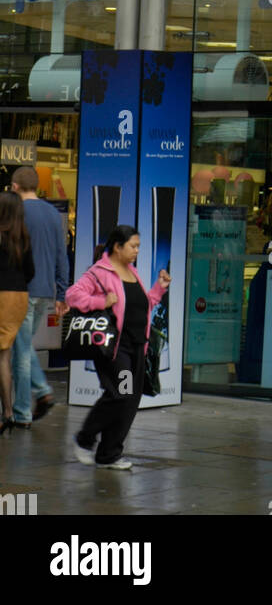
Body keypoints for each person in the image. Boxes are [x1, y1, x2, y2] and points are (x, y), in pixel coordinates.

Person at [65, 225, 170, 469]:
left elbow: (142, 307)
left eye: (138, 246)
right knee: (121, 394)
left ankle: (108, 454)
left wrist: (158, 289)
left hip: (137, 346)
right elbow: (73, 296)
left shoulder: (132, 272)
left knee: (130, 402)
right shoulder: (99, 272)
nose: (136, 251)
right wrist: (100, 300)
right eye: (133, 246)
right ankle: (84, 438)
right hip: (115, 347)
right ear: (117, 247)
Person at [10, 165, 69, 427]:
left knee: (20, 351)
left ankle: (24, 410)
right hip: (45, 290)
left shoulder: (17, 212)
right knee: (22, 347)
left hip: (21, 289)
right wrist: (62, 291)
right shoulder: (53, 214)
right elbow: (61, 254)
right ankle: (40, 393)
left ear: (14, 187)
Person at [0, 191, 35, 435]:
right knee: (6, 354)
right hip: (19, 296)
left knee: (2, 357)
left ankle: (8, 412)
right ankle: (9, 412)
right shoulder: (23, 237)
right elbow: (30, 271)